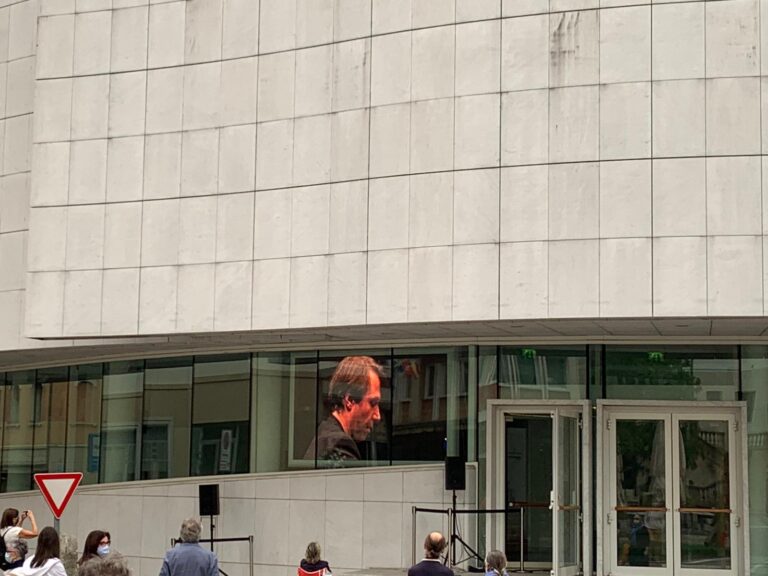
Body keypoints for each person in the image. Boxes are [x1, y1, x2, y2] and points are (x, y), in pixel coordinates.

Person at [303, 356, 383, 462]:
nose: (378, 416)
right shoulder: (340, 445)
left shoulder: (325, 435)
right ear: (349, 400)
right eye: (373, 403)